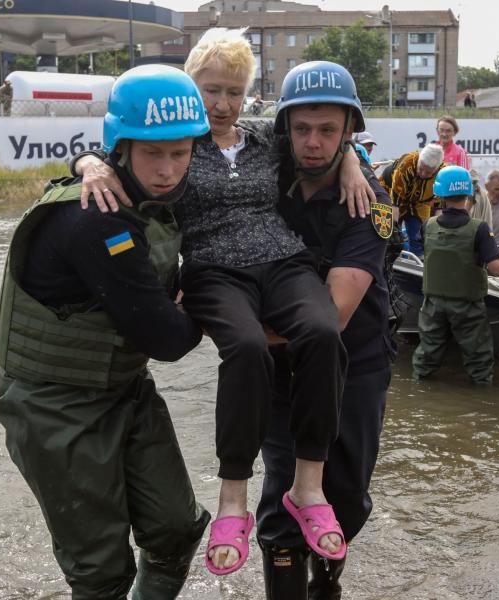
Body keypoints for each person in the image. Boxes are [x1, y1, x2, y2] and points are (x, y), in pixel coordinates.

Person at [70, 29, 377, 576]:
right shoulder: (180, 147)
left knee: (324, 331)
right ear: (190, 88)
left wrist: (351, 157)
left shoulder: (265, 141)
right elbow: (117, 153)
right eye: (210, 90)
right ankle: (233, 498)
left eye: (234, 92)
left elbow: (322, 142)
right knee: (246, 346)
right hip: (215, 270)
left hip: (284, 264)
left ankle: (308, 490)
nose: (222, 104)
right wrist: (87, 165)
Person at [0, 65, 212, 600]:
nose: (167, 170)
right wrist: (196, 307)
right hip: (56, 408)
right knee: (100, 574)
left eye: (179, 153)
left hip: (124, 391)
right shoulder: (97, 219)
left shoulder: (148, 192)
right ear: (122, 148)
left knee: (177, 530)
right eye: (152, 153)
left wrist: (348, 155)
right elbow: (169, 340)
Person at [258, 61, 395, 600]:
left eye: (328, 131)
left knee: (346, 495)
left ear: (349, 133)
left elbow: (334, 314)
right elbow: (178, 157)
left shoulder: (370, 202)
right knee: (280, 499)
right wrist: (93, 163)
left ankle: (328, 580)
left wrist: (239, 327)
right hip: (281, 372)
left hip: (355, 364)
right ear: (284, 128)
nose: (313, 144)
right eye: (301, 129)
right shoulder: (261, 181)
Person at [412, 166, 499, 384]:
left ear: (440, 195)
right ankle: (481, 406)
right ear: (469, 194)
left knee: (426, 358)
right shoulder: (480, 229)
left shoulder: (428, 226)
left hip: (432, 305)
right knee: (479, 363)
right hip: (467, 307)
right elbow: (496, 267)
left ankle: (420, 391)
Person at [389, 143, 445, 257]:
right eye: (421, 168)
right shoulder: (407, 164)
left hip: (420, 203)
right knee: (391, 236)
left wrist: (437, 230)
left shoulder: (442, 174)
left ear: (436, 169)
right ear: (419, 159)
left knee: (421, 237)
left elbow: (439, 207)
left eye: (428, 172)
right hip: (392, 198)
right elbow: (395, 204)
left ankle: (419, 264)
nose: (423, 174)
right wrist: (394, 227)